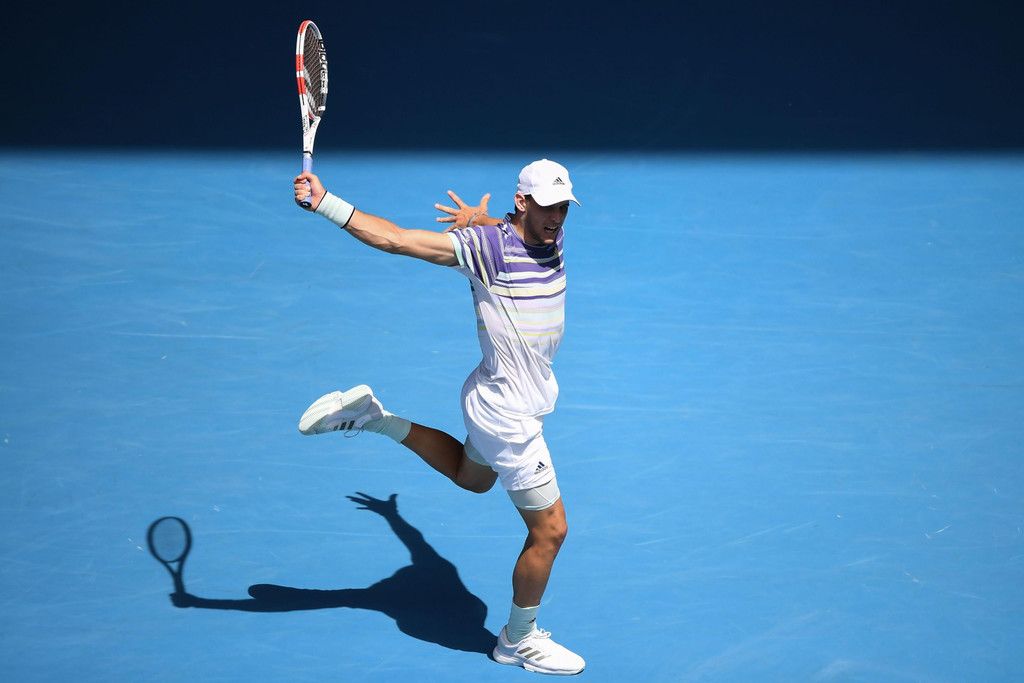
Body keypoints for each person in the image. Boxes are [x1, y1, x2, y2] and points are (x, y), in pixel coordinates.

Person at [292, 159, 584, 676]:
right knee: (551, 532)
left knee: (472, 479)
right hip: (508, 416)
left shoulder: (546, 235)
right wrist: (325, 203)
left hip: (492, 396)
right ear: (523, 202)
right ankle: (518, 640)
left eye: (563, 207)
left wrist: (478, 217)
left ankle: (374, 418)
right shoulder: (488, 252)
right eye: (547, 207)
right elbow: (398, 240)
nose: (557, 218)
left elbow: (512, 226)